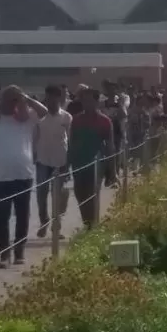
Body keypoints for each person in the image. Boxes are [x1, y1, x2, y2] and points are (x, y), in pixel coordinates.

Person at [0, 85, 47, 269]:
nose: (9, 103)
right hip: (0, 175)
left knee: (22, 214)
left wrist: (26, 98)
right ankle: (4, 254)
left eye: (13, 99)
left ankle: (19, 252)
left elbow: (44, 111)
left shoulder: (26, 118)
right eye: (6, 99)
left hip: (23, 173)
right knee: (0, 216)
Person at [69, 88, 114, 229]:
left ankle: (93, 227)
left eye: (90, 100)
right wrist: (66, 165)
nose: (86, 103)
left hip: (96, 165)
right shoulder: (76, 120)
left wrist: (112, 171)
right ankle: (87, 224)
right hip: (78, 165)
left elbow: (110, 147)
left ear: (96, 101)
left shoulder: (105, 121)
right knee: (80, 195)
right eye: (84, 100)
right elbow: (71, 144)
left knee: (92, 195)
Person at [35, 85, 72, 238]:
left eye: (53, 98)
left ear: (59, 98)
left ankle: (57, 226)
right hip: (43, 160)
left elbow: (70, 139)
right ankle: (44, 222)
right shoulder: (40, 116)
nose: (50, 101)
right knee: (41, 194)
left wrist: (68, 162)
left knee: (59, 194)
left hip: (60, 160)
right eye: (47, 97)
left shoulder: (66, 117)